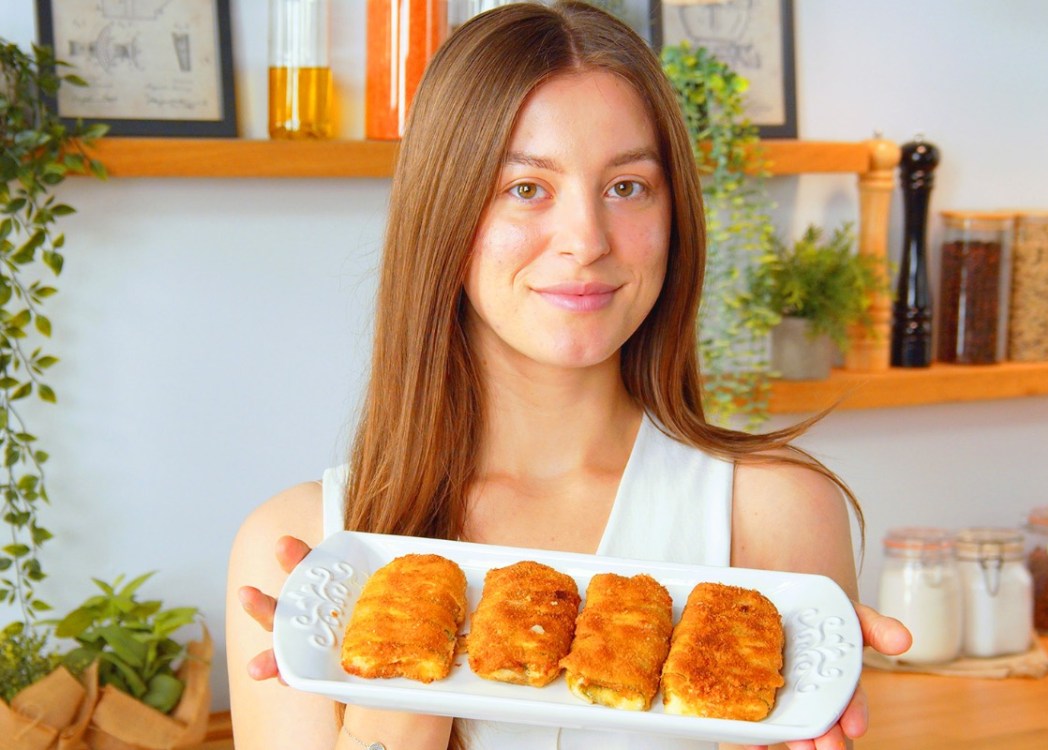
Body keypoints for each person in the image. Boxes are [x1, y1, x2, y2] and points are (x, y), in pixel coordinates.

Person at [226, 3, 911, 749]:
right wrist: (402, 657)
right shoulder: (302, 547)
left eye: (627, 187)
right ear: (443, 214)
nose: (586, 241)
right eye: (526, 188)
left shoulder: (777, 512)